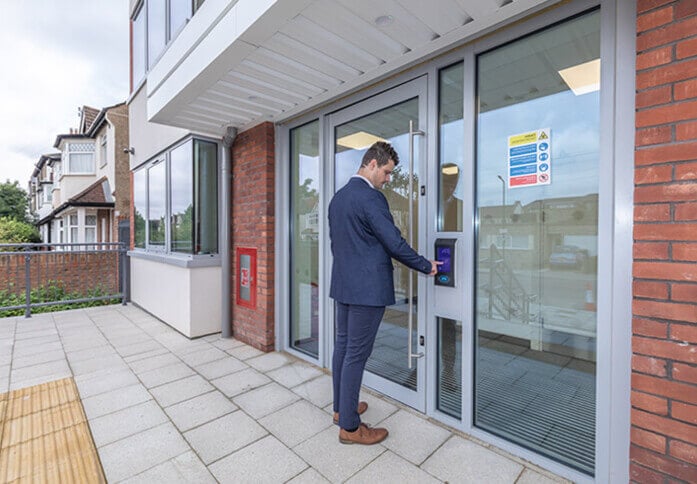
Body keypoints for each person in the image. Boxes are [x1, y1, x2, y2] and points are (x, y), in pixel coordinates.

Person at [328, 141, 441, 445]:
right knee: (356, 354)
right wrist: (425, 265)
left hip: (344, 285)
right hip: (367, 290)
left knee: (343, 347)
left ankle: (342, 409)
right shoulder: (371, 198)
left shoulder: (337, 199)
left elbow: (337, 246)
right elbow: (394, 242)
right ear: (373, 164)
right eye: (388, 172)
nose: (389, 179)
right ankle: (350, 428)